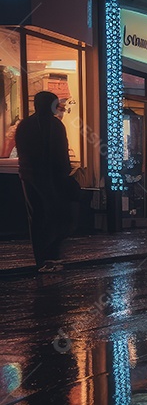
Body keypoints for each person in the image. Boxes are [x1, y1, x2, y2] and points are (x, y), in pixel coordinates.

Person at [15, 91, 79, 272]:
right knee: (55, 216)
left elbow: (23, 153)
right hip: (49, 177)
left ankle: (43, 258)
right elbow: (62, 153)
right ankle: (50, 255)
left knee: (38, 217)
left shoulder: (25, 125)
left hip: (32, 176)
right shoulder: (55, 125)